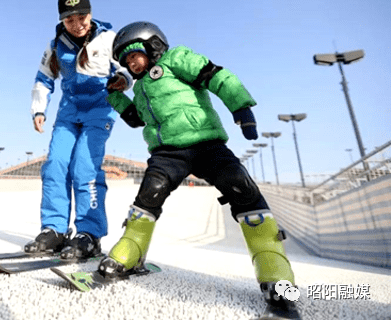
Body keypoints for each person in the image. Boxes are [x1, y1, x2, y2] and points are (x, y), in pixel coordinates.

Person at [100, 21, 296, 309]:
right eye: (126, 60)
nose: (131, 63)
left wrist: (241, 107)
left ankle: (273, 267)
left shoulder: (177, 59)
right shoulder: (141, 88)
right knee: (150, 192)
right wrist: (114, 94)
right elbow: (136, 119)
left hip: (206, 144)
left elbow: (215, 76)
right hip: (167, 153)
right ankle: (131, 249)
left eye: (134, 54)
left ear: (153, 46)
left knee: (240, 186)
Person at [26, 0, 132, 258]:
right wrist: (39, 109)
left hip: (100, 109)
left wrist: (123, 80)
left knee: (84, 167)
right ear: (62, 20)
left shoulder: (109, 39)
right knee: (55, 165)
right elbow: (43, 78)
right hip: (68, 112)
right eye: (69, 19)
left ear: (91, 13)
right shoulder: (56, 44)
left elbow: (127, 68)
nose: (77, 24)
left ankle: (89, 234)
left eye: (82, 16)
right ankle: (55, 230)